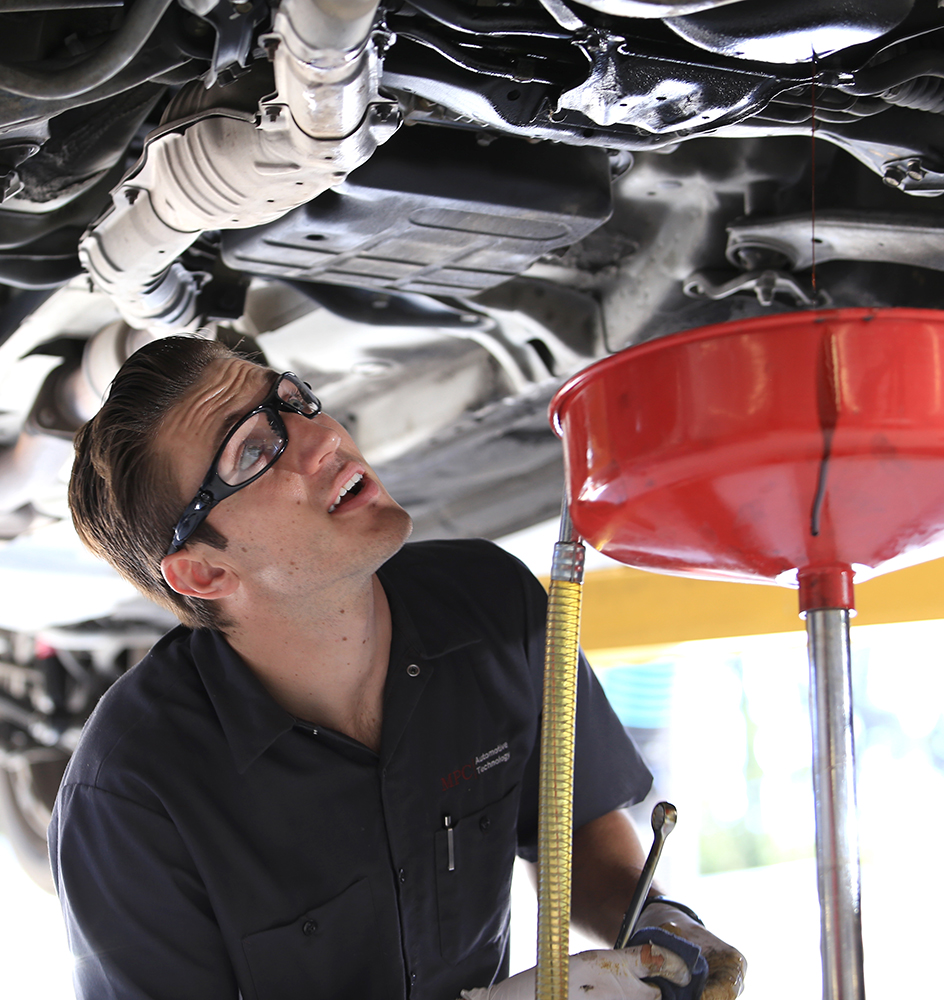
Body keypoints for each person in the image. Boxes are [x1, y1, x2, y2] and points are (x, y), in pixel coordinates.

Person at [50, 334, 746, 1000]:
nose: (324, 438)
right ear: (203, 571)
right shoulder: (129, 797)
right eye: (254, 451)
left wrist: (662, 931)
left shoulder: (493, 608)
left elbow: (580, 832)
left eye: (293, 401)